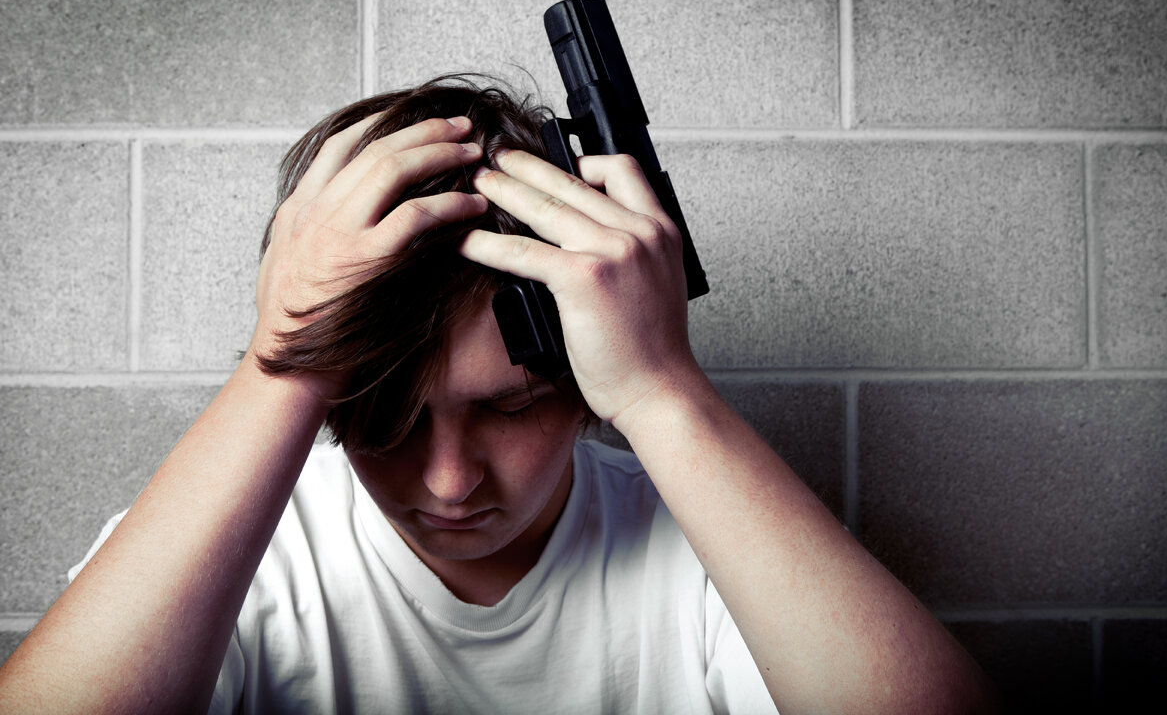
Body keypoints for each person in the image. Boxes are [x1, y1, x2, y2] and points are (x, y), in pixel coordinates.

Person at [0, 76, 995, 713]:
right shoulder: (238, 551)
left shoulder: (714, 546)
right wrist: (285, 360)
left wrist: (662, 388)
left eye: (509, 408)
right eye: (384, 416)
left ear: (583, 383)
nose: (447, 481)